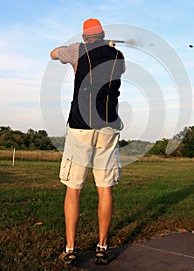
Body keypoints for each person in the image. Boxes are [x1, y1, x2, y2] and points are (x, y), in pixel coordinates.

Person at [50, 18, 125, 266]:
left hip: (80, 126)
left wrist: (72, 51)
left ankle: (70, 249)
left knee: (74, 189)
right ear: (102, 34)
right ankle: (102, 248)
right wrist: (110, 46)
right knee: (105, 189)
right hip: (108, 126)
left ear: (84, 38)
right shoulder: (118, 56)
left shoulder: (76, 50)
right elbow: (113, 64)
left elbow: (53, 54)